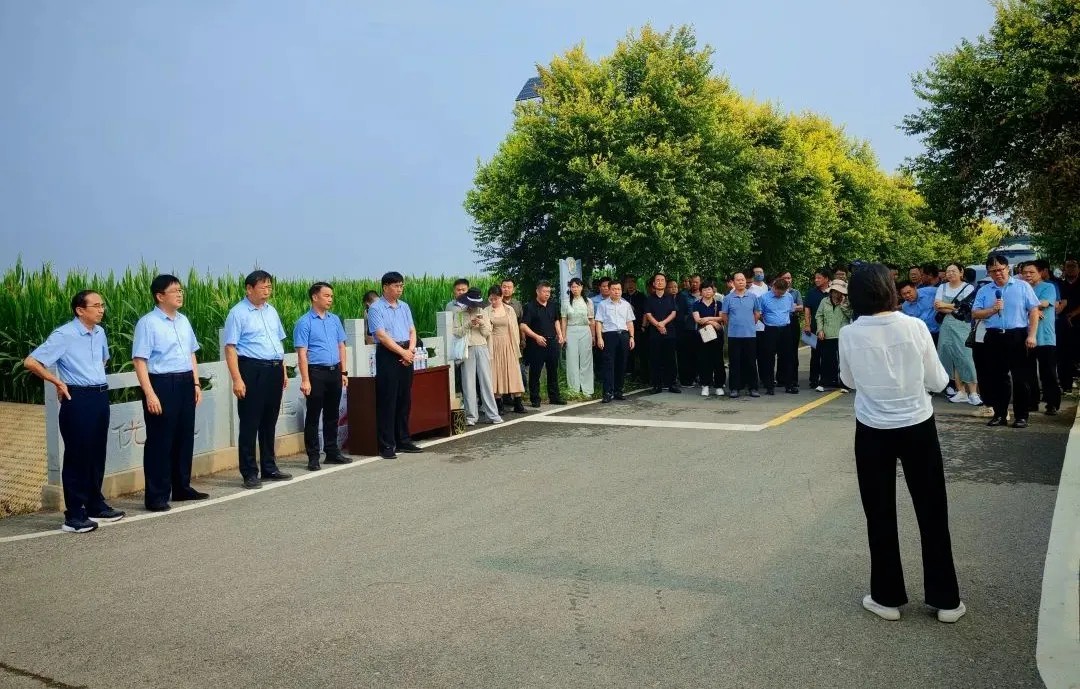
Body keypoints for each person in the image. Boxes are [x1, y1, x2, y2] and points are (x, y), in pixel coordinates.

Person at [839, 263, 965, 624]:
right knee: (932, 510)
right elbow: (938, 381)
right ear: (889, 290)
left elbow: (848, 380)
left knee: (879, 512)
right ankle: (946, 600)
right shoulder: (915, 326)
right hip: (917, 425)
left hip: (872, 428)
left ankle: (887, 596)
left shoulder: (849, 333)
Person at [23, 290, 125, 533]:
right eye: (96, 306)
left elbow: (103, 360)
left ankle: (95, 504)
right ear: (80, 310)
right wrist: (58, 382)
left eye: (102, 305)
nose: (101, 310)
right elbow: (31, 362)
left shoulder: (100, 333)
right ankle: (74, 515)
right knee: (77, 456)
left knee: (96, 453)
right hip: (78, 398)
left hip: (100, 396)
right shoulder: (64, 335)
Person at [132, 274, 208, 511]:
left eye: (180, 290)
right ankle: (156, 495)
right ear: (159, 296)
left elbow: (191, 353)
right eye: (174, 291)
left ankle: (181, 487)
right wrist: (150, 393)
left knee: (184, 437)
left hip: (185, 381)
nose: (180, 294)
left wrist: (196, 383)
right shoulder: (148, 323)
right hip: (162, 383)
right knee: (160, 441)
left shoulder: (183, 321)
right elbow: (140, 360)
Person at [224, 270, 293, 489]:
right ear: (249, 289)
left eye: (269, 286)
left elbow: (278, 343)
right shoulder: (238, 313)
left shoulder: (271, 311)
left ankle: (269, 467)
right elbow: (230, 348)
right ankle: (249, 472)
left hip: (274, 368)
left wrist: (283, 371)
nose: (267, 290)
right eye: (263, 286)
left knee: (269, 421)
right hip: (252, 370)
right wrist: (237, 379)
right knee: (250, 422)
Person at [971, 254, 1041, 428]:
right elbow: (975, 313)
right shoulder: (984, 290)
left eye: (1000, 269)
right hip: (993, 336)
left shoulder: (1022, 286)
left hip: (1017, 335)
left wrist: (1032, 335)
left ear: (1007, 268)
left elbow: (1034, 310)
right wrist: (992, 310)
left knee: (1020, 378)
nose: (998, 273)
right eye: (993, 271)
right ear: (988, 273)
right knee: (996, 378)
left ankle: (1021, 416)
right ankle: (1000, 414)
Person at [367, 272, 425, 459]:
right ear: (385, 287)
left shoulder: (404, 306)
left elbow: (412, 330)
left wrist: (411, 350)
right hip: (389, 354)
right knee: (388, 399)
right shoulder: (376, 308)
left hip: (407, 352)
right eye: (396, 286)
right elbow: (381, 335)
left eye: (401, 286)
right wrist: (402, 353)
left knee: (404, 398)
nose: (400, 289)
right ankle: (386, 444)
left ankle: (404, 440)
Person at [294, 281, 350, 472]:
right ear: (314, 297)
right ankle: (313, 456)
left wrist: (343, 371)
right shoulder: (304, 322)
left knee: (332, 414)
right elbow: (302, 353)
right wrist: (305, 379)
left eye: (331, 296)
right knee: (313, 415)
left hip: (334, 372)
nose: (330, 299)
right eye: (326, 296)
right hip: (315, 373)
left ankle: (332, 452)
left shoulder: (334, 320)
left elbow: (341, 346)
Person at [453, 288, 503, 426]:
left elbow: (487, 332)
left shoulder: (483, 312)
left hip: (481, 347)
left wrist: (481, 324)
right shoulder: (459, 314)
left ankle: (492, 414)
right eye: (471, 303)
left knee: (486, 381)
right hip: (467, 349)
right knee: (468, 383)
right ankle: (471, 416)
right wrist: (469, 324)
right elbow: (456, 332)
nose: (473, 306)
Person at [933, 264, 981, 406]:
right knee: (950, 356)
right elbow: (937, 306)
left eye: (953, 271)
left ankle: (973, 392)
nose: (950, 273)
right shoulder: (942, 287)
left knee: (965, 357)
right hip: (946, 325)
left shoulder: (968, 288)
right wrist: (954, 307)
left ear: (961, 272)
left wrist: (945, 305)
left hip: (962, 326)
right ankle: (961, 391)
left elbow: (965, 309)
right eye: (948, 271)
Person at [1022, 262, 1061, 415]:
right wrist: (1034, 310)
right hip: (1025, 336)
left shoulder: (1048, 287)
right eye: (1025, 272)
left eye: (1031, 272)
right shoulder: (1021, 288)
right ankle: (1032, 402)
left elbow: (1045, 303)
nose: (1027, 275)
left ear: (1040, 273)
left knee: (1048, 372)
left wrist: (1030, 308)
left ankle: (1052, 403)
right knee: (1028, 372)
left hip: (1045, 337)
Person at [520, 280, 566, 407]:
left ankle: (554, 397)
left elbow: (556, 321)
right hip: (536, 344)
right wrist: (536, 337)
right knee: (535, 372)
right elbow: (523, 326)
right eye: (544, 291)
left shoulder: (553, 305)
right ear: (537, 291)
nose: (547, 294)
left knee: (553, 371)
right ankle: (535, 398)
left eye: (549, 292)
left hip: (552, 342)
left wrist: (560, 335)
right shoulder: (529, 307)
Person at [485, 285, 527, 413]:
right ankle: (498, 403)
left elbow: (514, 328)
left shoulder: (509, 310)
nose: (493, 301)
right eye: (491, 299)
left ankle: (518, 402)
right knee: (496, 372)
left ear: (501, 297)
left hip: (508, 342)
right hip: (493, 344)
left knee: (513, 371)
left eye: (496, 299)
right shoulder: (486, 311)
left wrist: (516, 345)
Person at [594, 281, 636, 402]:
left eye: (619, 289)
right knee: (608, 364)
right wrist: (599, 337)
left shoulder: (626, 305)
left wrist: (632, 337)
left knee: (621, 364)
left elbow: (629, 322)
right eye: (614, 289)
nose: (616, 291)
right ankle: (607, 392)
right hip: (609, 335)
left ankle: (619, 391)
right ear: (609, 290)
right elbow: (599, 322)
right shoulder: (603, 304)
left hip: (623, 335)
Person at [721, 272, 761, 398]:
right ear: (733, 282)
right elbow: (724, 315)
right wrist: (734, 325)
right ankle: (734, 388)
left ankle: (753, 388)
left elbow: (757, 313)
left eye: (743, 280)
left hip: (750, 334)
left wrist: (749, 324)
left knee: (751, 362)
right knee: (734, 362)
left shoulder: (753, 296)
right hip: (734, 335)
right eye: (738, 280)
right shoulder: (728, 298)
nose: (741, 282)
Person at [757, 277, 799, 394]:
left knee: (787, 357)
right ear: (773, 287)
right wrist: (767, 322)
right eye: (778, 292)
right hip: (770, 329)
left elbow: (790, 311)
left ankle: (789, 384)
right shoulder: (764, 298)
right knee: (768, 358)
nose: (780, 295)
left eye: (782, 293)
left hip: (785, 328)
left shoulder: (789, 297)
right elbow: (759, 314)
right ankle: (769, 386)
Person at [644, 273, 680, 393]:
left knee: (670, 359)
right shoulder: (649, 298)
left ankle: (672, 384)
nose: (660, 282)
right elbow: (648, 314)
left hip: (669, 332)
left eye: (662, 280)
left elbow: (673, 313)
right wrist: (658, 325)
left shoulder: (670, 297)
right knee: (655, 359)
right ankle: (656, 385)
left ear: (665, 283)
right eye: (657, 280)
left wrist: (663, 323)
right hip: (654, 333)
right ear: (654, 283)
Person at [815, 279, 852, 392]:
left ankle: (845, 384)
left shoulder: (847, 302)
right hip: (828, 334)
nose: (836, 294)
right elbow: (819, 315)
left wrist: (843, 305)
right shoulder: (824, 301)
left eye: (839, 292)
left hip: (842, 334)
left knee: (843, 361)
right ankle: (825, 383)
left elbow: (851, 315)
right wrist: (820, 329)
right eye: (834, 291)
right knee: (827, 359)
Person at [561, 277, 595, 396]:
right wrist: (563, 336)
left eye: (577, 286)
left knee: (586, 360)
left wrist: (593, 336)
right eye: (573, 287)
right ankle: (574, 390)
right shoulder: (566, 302)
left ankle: (587, 390)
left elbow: (592, 320)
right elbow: (564, 320)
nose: (575, 289)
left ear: (582, 287)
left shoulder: (588, 301)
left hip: (585, 330)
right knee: (572, 360)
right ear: (570, 288)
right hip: (571, 330)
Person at [693, 280, 726, 396]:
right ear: (701, 292)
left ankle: (719, 385)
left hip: (717, 336)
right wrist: (712, 322)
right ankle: (705, 385)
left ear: (713, 291)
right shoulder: (696, 304)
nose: (707, 291)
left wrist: (707, 319)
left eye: (709, 289)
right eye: (704, 289)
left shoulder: (719, 303)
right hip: (703, 335)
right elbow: (698, 319)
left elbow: (722, 318)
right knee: (704, 360)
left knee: (718, 360)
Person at [804, 268, 832, 389]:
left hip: (831, 327)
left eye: (819, 278)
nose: (816, 280)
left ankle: (828, 378)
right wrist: (807, 324)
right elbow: (807, 309)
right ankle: (814, 380)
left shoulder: (832, 292)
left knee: (829, 354)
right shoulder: (812, 293)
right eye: (815, 278)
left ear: (826, 279)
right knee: (815, 355)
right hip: (815, 327)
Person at [777, 270, 803, 388]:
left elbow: (801, 307)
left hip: (792, 322)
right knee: (781, 351)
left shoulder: (795, 292)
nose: (787, 280)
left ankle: (793, 379)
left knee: (792, 352)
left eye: (789, 278)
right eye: (785, 278)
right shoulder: (774, 292)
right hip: (779, 323)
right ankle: (781, 378)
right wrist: (791, 307)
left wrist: (790, 307)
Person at [676, 278, 700, 387]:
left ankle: (703, 377)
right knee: (689, 354)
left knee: (702, 354)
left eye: (696, 282)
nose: (694, 284)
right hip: (688, 329)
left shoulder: (704, 294)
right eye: (691, 282)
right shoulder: (683, 295)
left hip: (703, 328)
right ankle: (689, 378)